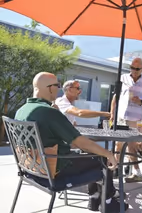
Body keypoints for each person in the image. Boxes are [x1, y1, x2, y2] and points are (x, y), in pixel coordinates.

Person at [15, 72, 128, 213]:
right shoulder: (48, 112)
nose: (58, 89)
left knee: (91, 155)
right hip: (55, 170)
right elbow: (80, 141)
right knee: (102, 159)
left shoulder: (21, 110)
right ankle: (109, 203)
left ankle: (94, 198)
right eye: (57, 85)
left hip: (32, 169)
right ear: (50, 88)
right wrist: (108, 154)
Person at [110, 57, 142, 181]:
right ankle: (114, 169)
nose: (134, 70)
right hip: (120, 115)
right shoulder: (123, 78)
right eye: (132, 68)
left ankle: (136, 172)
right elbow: (116, 96)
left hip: (134, 117)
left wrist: (141, 101)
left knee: (131, 145)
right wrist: (112, 112)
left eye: (137, 69)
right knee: (118, 144)